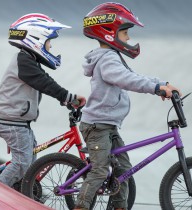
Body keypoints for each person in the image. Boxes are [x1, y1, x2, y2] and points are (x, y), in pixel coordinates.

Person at [74, 3, 181, 210]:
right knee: (100, 170)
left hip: (108, 125)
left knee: (123, 169)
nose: (128, 38)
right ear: (109, 33)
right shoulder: (107, 60)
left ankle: (119, 207)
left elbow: (133, 76)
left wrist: (161, 83)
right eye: (125, 33)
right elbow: (127, 80)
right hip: (97, 126)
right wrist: (156, 88)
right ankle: (81, 206)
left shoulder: (112, 57)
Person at [0, 13, 87, 188]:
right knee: (22, 163)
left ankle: (22, 191)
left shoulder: (28, 60)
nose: (50, 46)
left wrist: (67, 100)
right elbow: (44, 83)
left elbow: (45, 81)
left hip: (20, 122)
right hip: (11, 122)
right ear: (36, 39)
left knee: (30, 164)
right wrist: (70, 97)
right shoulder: (23, 60)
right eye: (49, 41)